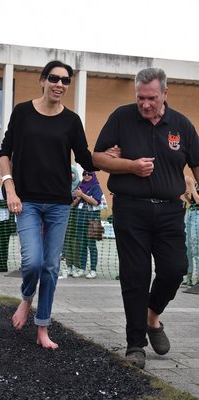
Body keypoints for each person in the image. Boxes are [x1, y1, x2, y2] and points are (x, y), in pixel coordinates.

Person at [92, 67, 199, 369]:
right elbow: (97, 157)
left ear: (165, 93)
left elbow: (197, 164)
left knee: (175, 269)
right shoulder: (121, 117)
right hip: (130, 209)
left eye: (152, 98)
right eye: (140, 97)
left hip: (169, 211)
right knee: (135, 276)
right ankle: (135, 344)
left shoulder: (181, 125)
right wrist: (130, 166)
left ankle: (153, 317)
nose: (145, 104)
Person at [0, 60, 95, 349]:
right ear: (42, 80)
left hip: (58, 204)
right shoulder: (23, 112)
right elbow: (5, 153)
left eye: (65, 81)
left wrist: (113, 155)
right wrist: (10, 188)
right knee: (33, 263)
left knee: (51, 268)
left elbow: (86, 159)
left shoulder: (72, 121)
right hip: (26, 200)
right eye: (54, 78)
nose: (60, 85)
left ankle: (43, 328)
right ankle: (27, 298)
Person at [72, 171, 103, 278]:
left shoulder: (96, 187)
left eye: (89, 174)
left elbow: (95, 202)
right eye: (84, 174)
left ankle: (93, 270)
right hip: (80, 220)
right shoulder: (79, 186)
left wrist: (82, 195)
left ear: (93, 175)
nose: (86, 176)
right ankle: (82, 268)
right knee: (81, 246)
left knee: (92, 246)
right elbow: (73, 204)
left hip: (92, 221)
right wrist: (78, 198)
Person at [63, 165, 81, 276]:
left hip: (77, 219)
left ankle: (77, 266)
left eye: (72, 172)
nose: (71, 175)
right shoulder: (64, 185)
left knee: (76, 243)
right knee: (67, 242)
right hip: (65, 219)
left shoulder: (80, 186)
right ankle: (69, 266)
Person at [182, 175, 199, 286]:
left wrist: (191, 185)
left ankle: (197, 278)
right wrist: (187, 197)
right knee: (188, 246)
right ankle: (188, 276)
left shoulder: (194, 184)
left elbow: (198, 200)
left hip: (197, 214)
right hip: (191, 212)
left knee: (196, 246)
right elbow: (193, 201)